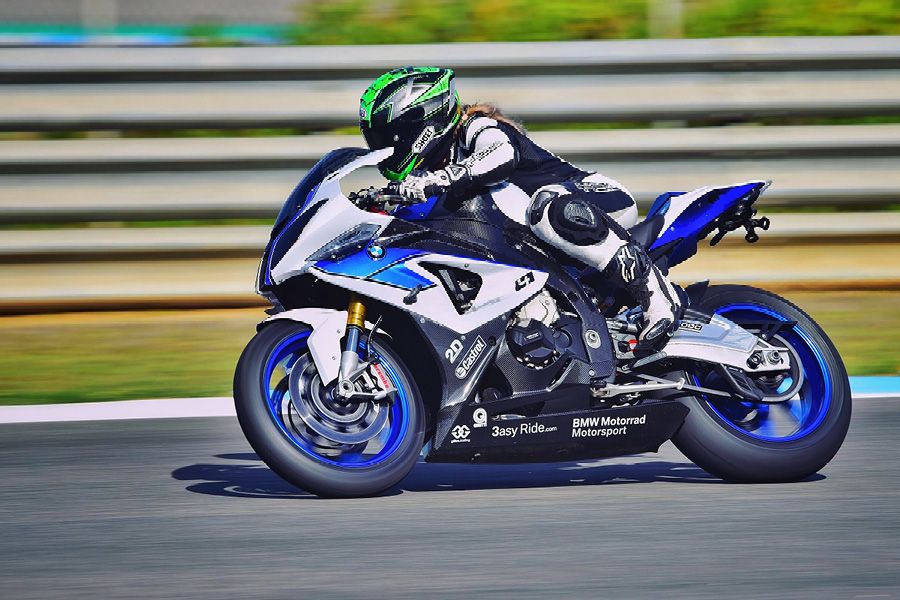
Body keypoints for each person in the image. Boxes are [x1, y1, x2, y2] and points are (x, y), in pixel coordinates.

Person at [359, 66, 682, 347]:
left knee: (548, 210)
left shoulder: (477, 128)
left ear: (421, 120)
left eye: (391, 137)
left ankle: (658, 295)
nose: (387, 148)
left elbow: (500, 155)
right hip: (539, 245)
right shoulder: (432, 175)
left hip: (594, 202)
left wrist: (438, 180)